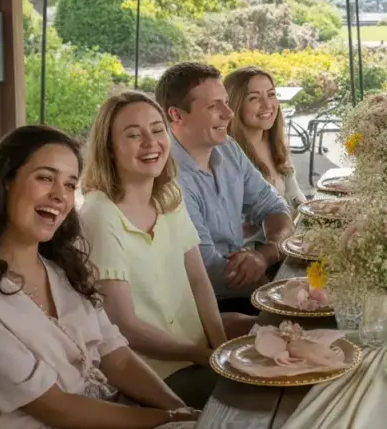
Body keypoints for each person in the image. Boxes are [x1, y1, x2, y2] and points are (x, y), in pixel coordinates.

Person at [0, 125, 231, 429]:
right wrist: (162, 419)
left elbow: (116, 356)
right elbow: (56, 408)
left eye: (70, 184)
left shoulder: (57, 267)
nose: (60, 196)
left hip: (104, 421)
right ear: (5, 181)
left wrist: (179, 411)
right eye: (46, 178)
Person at [80, 91, 252, 410]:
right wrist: (205, 357)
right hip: (154, 375)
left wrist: (219, 347)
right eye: (133, 135)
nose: (150, 142)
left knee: (280, 339)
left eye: (157, 130)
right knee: (265, 393)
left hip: (197, 353)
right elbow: (125, 326)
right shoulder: (99, 215)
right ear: (109, 149)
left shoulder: (168, 194)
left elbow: (199, 280)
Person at [155, 62, 293, 314]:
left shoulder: (227, 147)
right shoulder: (168, 176)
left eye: (226, 102)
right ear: (176, 115)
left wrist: (266, 255)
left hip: (248, 282)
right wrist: (278, 293)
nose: (228, 113)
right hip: (205, 306)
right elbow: (209, 270)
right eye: (213, 106)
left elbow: (273, 206)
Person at [223, 67, 306, 218]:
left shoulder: (275, 142)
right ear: (235, 104)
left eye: (271, 94)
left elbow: (295, 195)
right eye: (254, 98)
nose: (268, 105)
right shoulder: (227, 155)